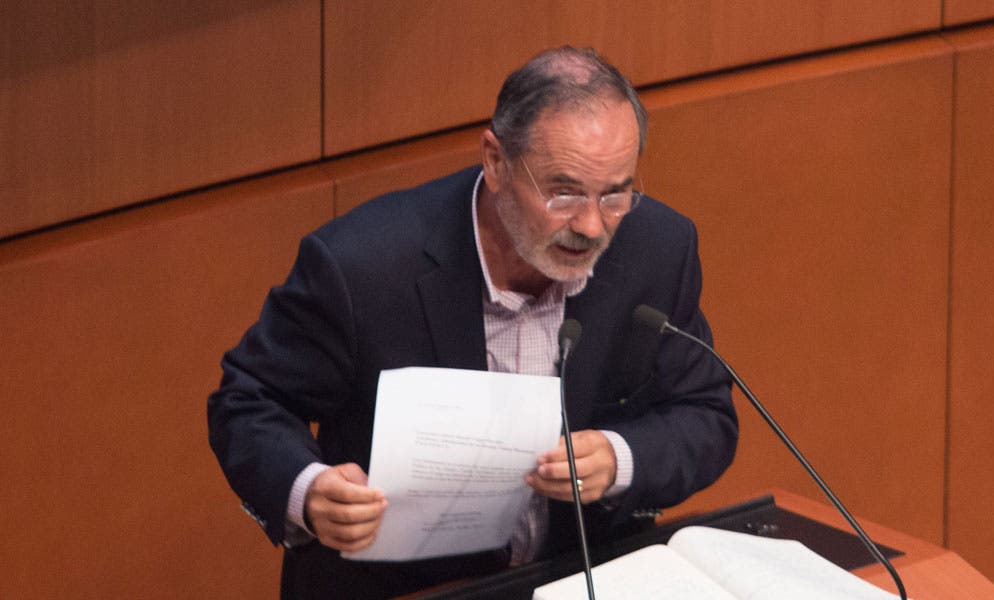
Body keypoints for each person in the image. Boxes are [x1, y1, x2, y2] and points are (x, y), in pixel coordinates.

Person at [208, 46, 737, 599]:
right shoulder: (363, 266)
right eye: (564, 192)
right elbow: (248, 400)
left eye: (615, 194)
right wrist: (310, 491)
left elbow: (704, 414)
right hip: (405, 589)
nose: (591, 225)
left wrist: (620, 458)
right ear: (496, 162)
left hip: (579, 580)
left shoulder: (657, 248)